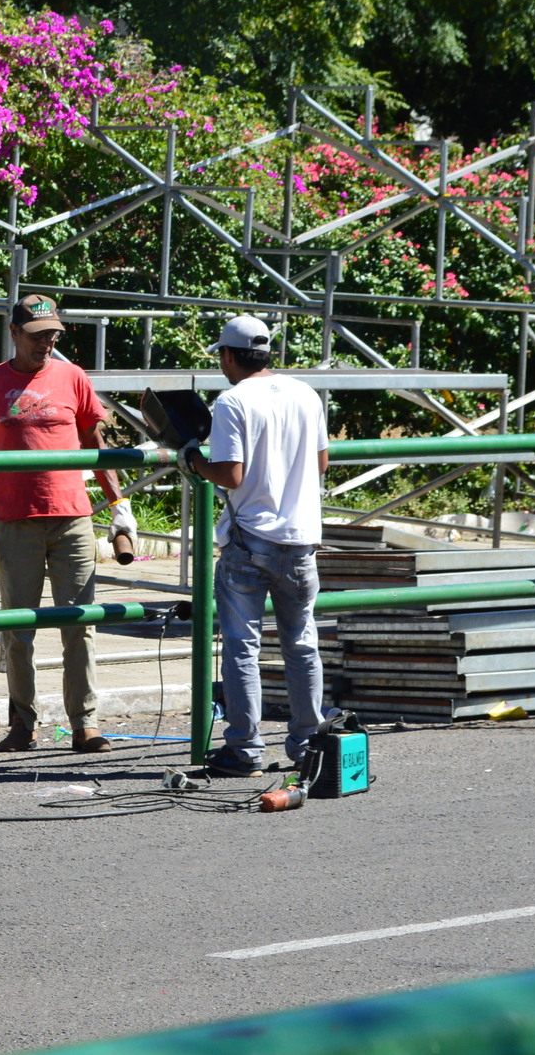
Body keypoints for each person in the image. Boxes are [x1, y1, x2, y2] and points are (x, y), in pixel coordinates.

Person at [0, 294, 137, 754]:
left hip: (72, 520)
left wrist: (118, 504)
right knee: (18, 629)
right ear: (14, 333)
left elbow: (96, 441)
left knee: (80, 625)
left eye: (53, 334)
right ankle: (23, 722)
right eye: (37, 335)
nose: (47, 342)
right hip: (15, 522)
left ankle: (85, 723)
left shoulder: (73, 377)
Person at [183, 314, 328, 776]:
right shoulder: (306, 393)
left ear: (228, 355)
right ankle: (309, 745)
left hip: (251, 541)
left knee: (242, 647)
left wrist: (194, 462)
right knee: (302, 645)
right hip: (302, 540)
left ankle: (245, 749)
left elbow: (231, 474)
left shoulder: (232, 400)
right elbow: (321, 462)